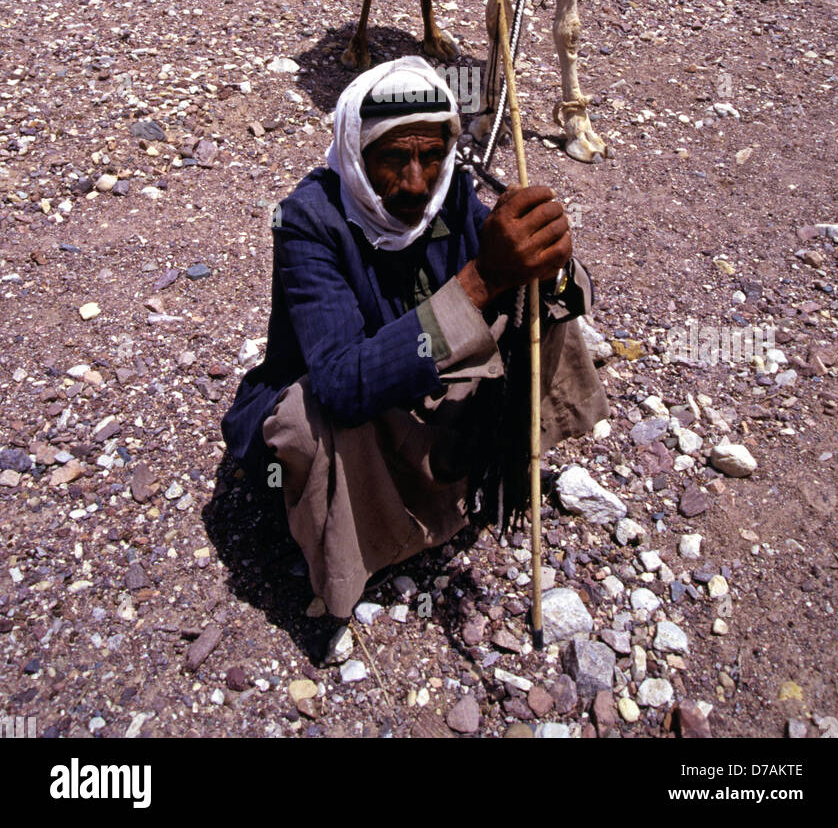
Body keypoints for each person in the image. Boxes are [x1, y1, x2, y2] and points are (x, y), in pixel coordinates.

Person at [221, 57, 608, 619]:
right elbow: (344, 383)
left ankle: (485, 469)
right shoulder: (310, 221)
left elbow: (556, 295)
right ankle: (364, 542)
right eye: (394, 158)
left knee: (535, 302)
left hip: (418, 391)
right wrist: (481, 280)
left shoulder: (446, 194)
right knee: (305, 424)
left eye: (432, 156)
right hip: (364, 412)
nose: (415, 182)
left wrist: (549, 262)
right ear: (356, 152)